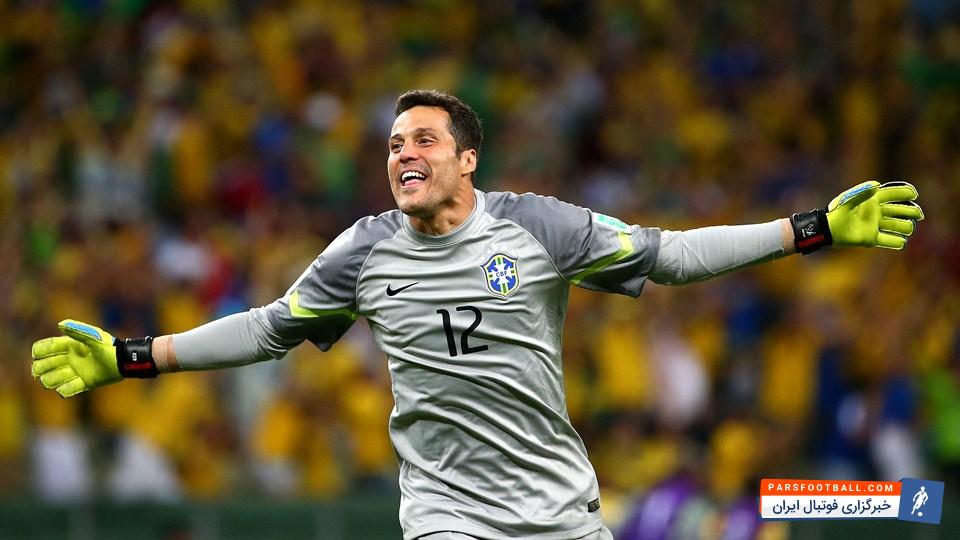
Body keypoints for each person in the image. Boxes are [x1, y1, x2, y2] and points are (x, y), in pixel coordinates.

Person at [31, 90, 924, 540]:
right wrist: (135, 355)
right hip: (446, 515)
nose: (403, 155)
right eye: (393, 145)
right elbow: (269, 328)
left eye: (423, 140)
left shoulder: (541, 227)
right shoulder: (362, 251)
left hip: (559, 511)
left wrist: (811, 229)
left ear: (466, 159)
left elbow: (672, 255)